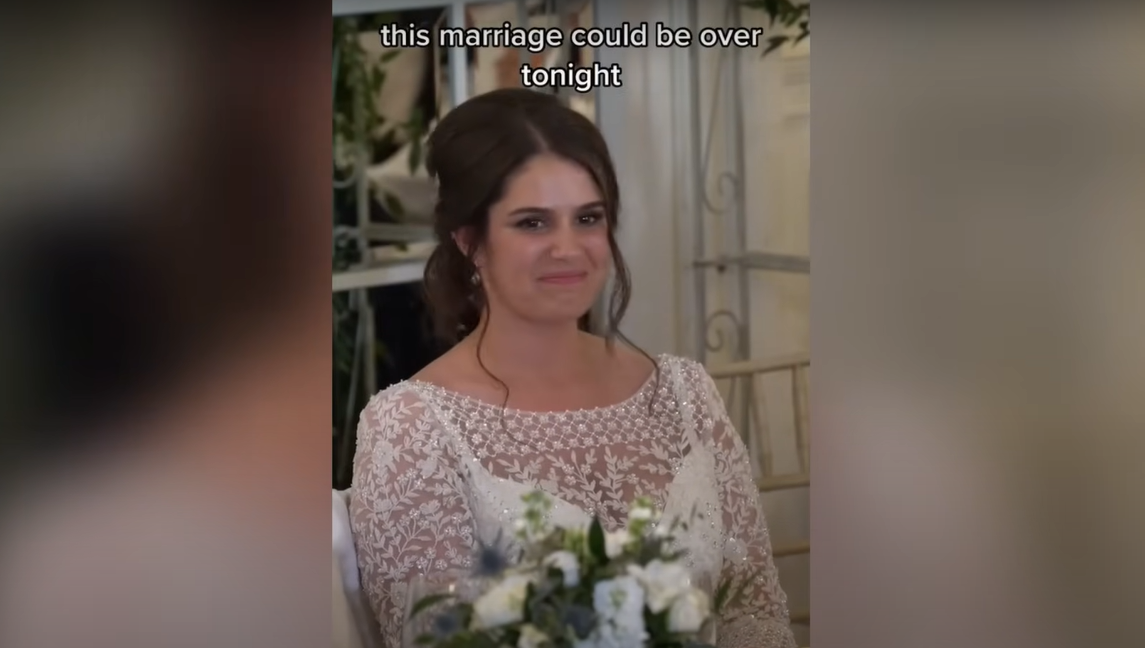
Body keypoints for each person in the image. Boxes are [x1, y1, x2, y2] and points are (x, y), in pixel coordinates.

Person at [349, 88, 796, 648]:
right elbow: (434, 639)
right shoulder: (412, 429)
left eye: (588, 218)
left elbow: (754, 614)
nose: (569, 248)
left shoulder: (686, 394)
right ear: (470, 242)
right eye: (533, 223)